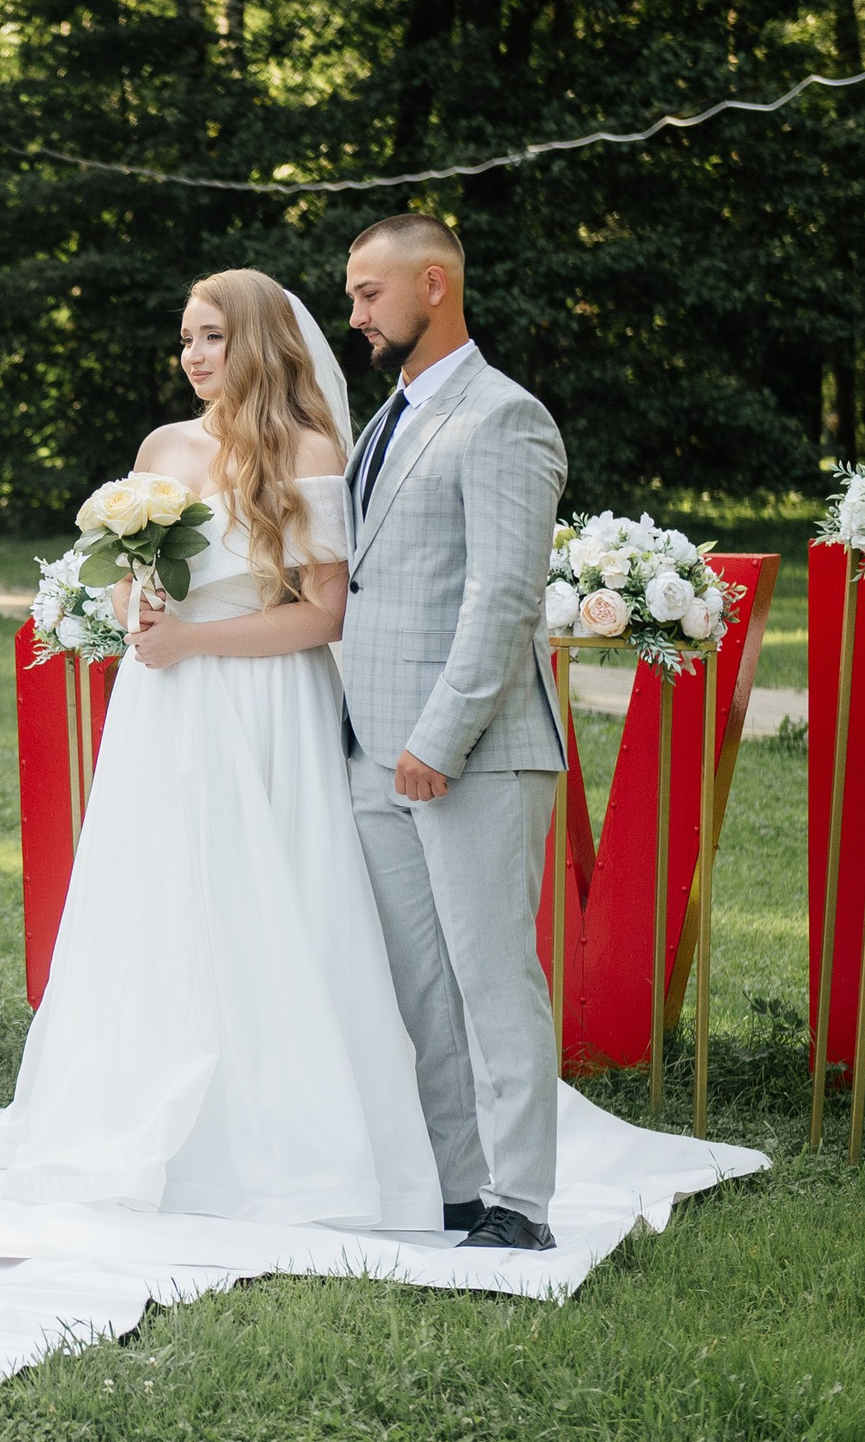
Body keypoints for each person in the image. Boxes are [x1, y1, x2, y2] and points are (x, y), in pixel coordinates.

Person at [0, 268, 444, 1229]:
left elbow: (323, 617)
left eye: (212, 338)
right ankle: (136, 1112)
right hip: (166, 708)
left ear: (262, 341)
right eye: (186, 338)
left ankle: (278, 1137)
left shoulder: (309, 449)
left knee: (267, 896)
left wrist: (191, 637)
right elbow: (131, 576)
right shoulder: (162, 447)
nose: (193, 356)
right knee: (160, 895)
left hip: (265, 698)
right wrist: (135, 605)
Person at [339, 213, 569, 1251]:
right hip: (372, 753)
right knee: (419, 988)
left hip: (472, 748)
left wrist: (436, 739)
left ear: (433, 284)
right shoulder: (381, 418)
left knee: (489, 976)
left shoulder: (504, 416)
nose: (356, 314)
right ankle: (457, 1184)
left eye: (368, 294)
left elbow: (502, 596)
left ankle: (521, 1200)